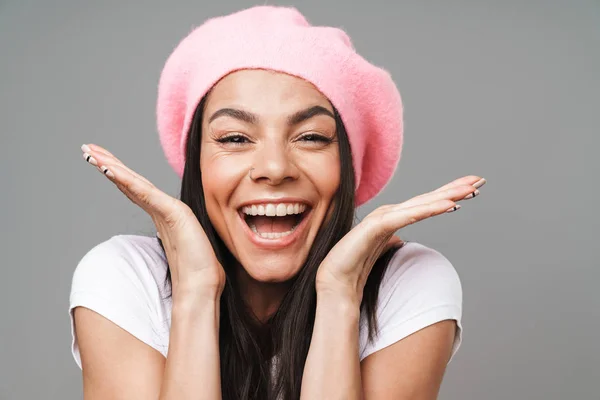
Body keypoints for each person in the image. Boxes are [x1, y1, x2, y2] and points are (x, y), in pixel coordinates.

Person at [70, 5, 485, 400]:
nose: (274, 167)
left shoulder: (408, 282)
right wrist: (196, 291)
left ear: (347, 165)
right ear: (196, 164)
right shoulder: (125, 278)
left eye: (311, 137)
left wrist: (340, 294)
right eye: (235, 138)